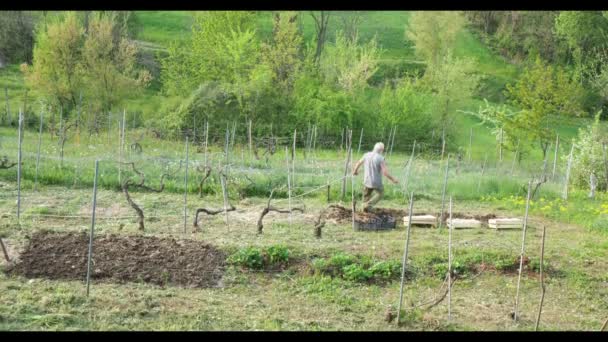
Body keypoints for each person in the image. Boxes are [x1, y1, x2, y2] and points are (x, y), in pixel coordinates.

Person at [352, 142, 399, 212]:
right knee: (380, 193)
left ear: (374, 148)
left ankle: (364, 210)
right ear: (381, 150)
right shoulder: (380, 158)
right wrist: (393, 179)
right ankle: (368, 205)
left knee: (366, 196)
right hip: (376, 182)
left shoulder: (366, 155)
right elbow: (385, 173)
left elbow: (358, 163)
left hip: (366, 180)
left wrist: (355, 171)